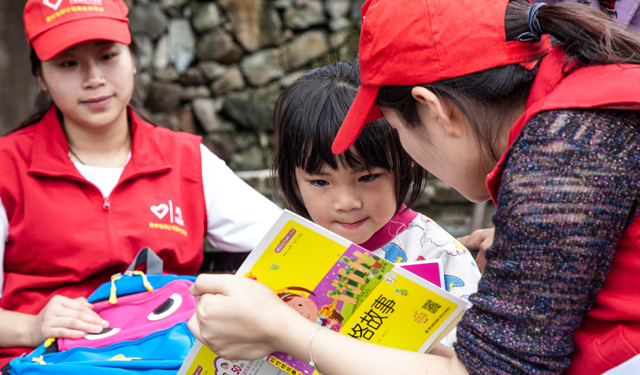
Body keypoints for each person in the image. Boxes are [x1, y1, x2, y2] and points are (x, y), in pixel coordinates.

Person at [188, 0, 640, 374]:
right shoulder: (580, 115)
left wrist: (281, 328)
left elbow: (494, 369)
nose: (346, 200)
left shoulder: (562, 151)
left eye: (396, 129)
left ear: (433, 108)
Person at [0, 0, 280, 368]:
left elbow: (285, 242)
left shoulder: (186, 160)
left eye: (107, 56)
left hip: (172, 358)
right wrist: (33, 327)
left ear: (133, 58)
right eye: (69, 63)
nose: (93, 78)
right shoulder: (8, 167)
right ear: (40, 76)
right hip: (46, 362)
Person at [270, 61, 480, 344]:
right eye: (320, 182)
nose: (346, 203)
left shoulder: (441, 257)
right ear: (292, 177)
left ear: (406, 160)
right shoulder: (284, 253)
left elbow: (469, 359)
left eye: (367, 177)